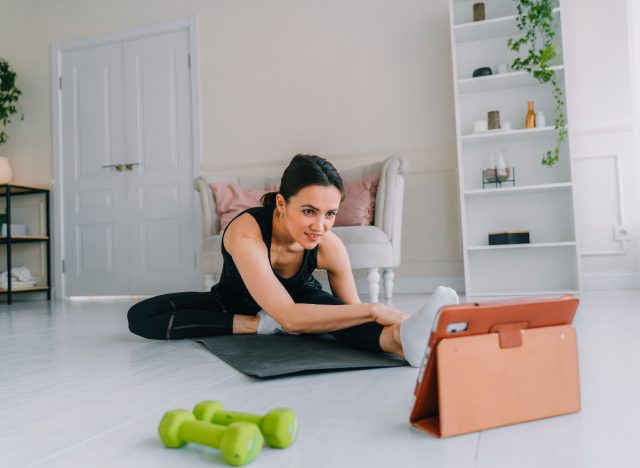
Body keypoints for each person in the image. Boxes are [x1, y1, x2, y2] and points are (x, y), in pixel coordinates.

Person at [127, 154, 458, 367]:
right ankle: (257, 327)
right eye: (309, 211)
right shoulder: (247, 231)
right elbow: (288, 317)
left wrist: (391, 323)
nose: (320, 226)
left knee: (339, 318)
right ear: (282, 204)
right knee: (140, 316)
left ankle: (406, 342)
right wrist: (374, 308)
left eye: (330, 214)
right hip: (232, 306)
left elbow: (350, 314)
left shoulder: (330, 245)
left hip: (303, 300)